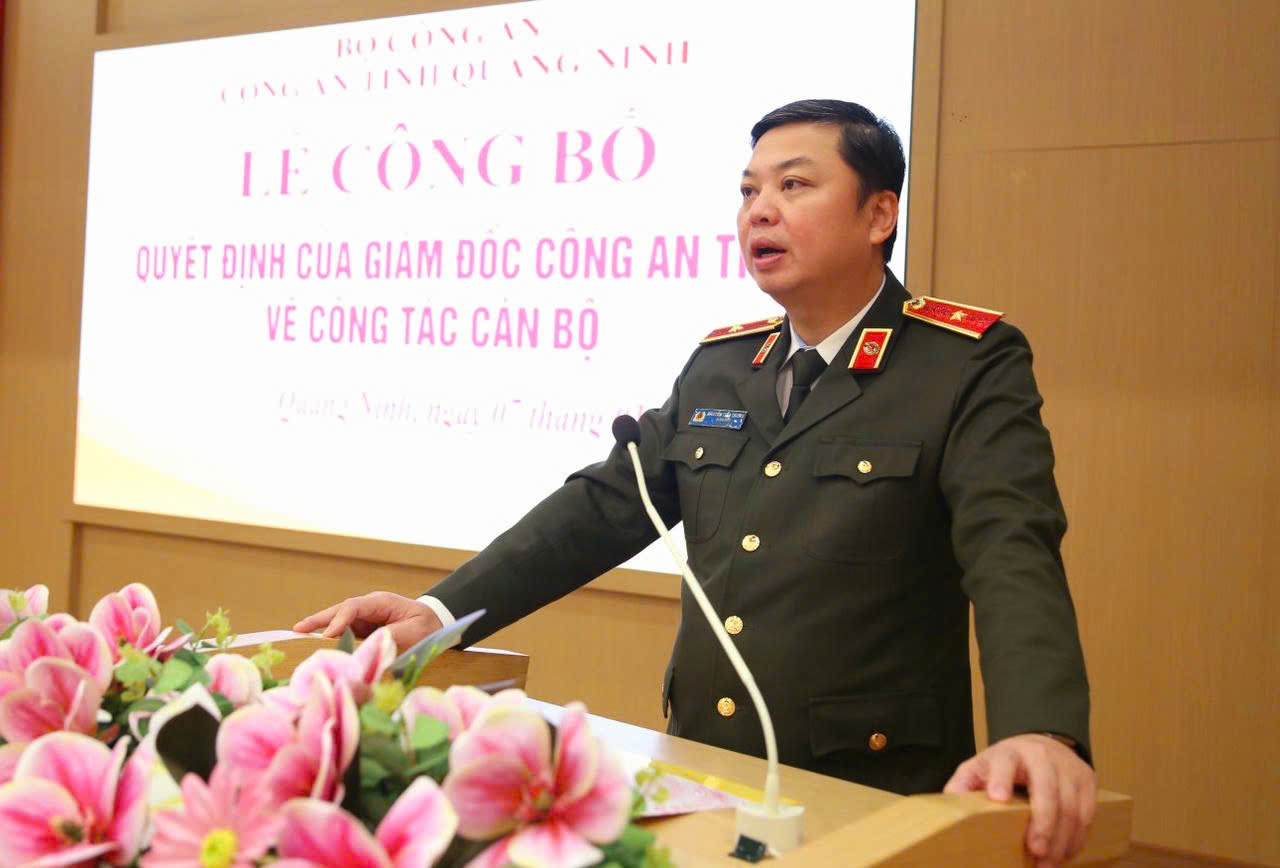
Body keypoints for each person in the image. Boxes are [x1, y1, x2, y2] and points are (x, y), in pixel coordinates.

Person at [296, 100, 1097, 868]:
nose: (760, 210)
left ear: (879, 214)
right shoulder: (723, 364)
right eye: (748, 190)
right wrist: (439, 614)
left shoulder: (961, 363)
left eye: (794, 184)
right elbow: (604, 506)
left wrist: (1040, 729)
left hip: (872, 796)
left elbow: (1010, 545)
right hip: (703, 777)